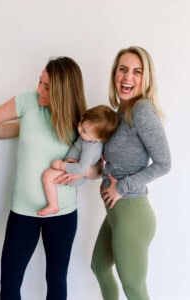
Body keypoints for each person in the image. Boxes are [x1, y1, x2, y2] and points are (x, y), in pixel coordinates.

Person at [0, 56, 97, 300]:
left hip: (63, 214)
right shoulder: (27, 102)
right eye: (40, 81)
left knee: (56, 282)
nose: (39, 89)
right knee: (9, 284)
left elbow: (97, 168)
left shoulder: (82, 121)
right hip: (23, 213)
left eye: (46, 86)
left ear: (62, 90)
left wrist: (81, 171)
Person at [90, 46, 171, 300]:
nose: (128, 77)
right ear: (115, 73)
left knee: (134, 289)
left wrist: (121, 187)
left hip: (132, 213)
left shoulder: (141, 111)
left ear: (145, 79)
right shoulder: (120, 113)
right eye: (123, 69)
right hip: (117, 212)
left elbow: (164, 163)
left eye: (137, 72)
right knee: (100, 267)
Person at [37, 105, 119, 216]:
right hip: (73, 168)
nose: (79, 129)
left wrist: (61, 165)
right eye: (81, 122)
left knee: (47, 176)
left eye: (84, 131)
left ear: (98, 138)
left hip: (74, 172)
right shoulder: (90, 138)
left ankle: (53, 205)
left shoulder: (91, 147)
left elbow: (82, 168)